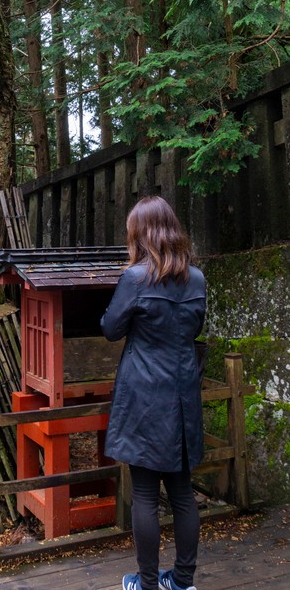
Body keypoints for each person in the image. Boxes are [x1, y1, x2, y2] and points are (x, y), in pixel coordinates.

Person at [101, 196, 207, 590]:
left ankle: (147, 584)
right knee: (181, 491)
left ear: (140, 235)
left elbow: (111, 329)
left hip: (144, 396)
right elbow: (195, 328)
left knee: (145, 492)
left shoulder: (135, 278)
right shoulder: (196, 279)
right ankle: (182, 581)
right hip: (183, 395)